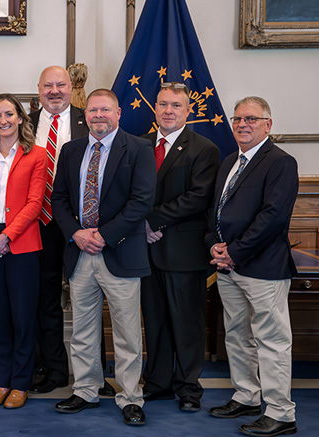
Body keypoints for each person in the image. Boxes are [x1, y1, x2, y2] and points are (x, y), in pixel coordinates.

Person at [51, 89, 155, 426]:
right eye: (93, 110)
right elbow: (59, 199)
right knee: (82, 329)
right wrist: (77, 233)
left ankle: (129, 397)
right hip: (80, 252)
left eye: (105, 110)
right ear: (85, 115)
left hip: (119, 251)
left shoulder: (139, 148)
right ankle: (86, 389)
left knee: (127, 332)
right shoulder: (71, 150)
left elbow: (141, 202)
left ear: (118, 113)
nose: (98, 115)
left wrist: (104, 235)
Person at [206, 96, 298, 437]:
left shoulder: (281, 162)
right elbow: (217, 210)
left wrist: (236, 251)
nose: (243, 124)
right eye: (238, 119)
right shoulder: (231, 160)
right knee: (238, 335)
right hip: (230, 267)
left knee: (271, 340)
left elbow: (273, 218)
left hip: (263, 267)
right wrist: (214, 245)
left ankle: (280, 413)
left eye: (251, 119)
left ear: (268, 125)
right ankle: (246, 395)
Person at [140, 82, 220, 412]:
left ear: (188, 111)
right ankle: (157, 383)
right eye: (162, 104)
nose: (168, 111)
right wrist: (140, 224)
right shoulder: (140, 145)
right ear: (154, 108)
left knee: (186, 324)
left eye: (175, 106)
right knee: (154, 321)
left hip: (183, 252)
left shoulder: (204, 149)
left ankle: (188, 389)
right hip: (144, 251)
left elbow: (197, 197)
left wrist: (153, 220)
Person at [0, 94, 47, 409]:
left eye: (9, 114)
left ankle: (20, 383)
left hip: (22, 243)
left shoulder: (36, 155)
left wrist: (6, 237)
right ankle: (1, 382)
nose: (3, 120)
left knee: (23, 316)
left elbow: (35, 202)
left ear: (20, 119)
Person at [28, 65, 90, 394]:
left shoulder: (89, 119)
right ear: (38, 89)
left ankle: (94, 375)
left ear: (71, 88)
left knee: (89, 301)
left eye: (60, 85)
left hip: (82, 226)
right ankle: (53, 369)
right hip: (39, 224)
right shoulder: (25, 123)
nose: (54, 91)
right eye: (47, 85)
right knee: (45, 301)